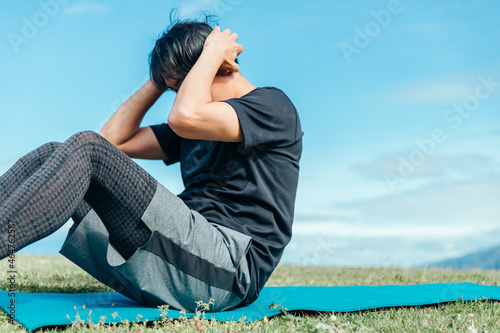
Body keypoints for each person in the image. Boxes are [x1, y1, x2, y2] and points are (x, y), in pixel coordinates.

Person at [0, 17, 303, 312]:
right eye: (175, 91)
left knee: (86, 148)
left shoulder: (273, 107)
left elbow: (179, 118)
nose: (179, 98)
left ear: (225, 66)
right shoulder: (194, 126)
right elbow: (111, 142)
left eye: (182, 87)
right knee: (54, 154)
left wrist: (210, 53)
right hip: (173, 262)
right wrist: (161, 79)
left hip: (227, 272)